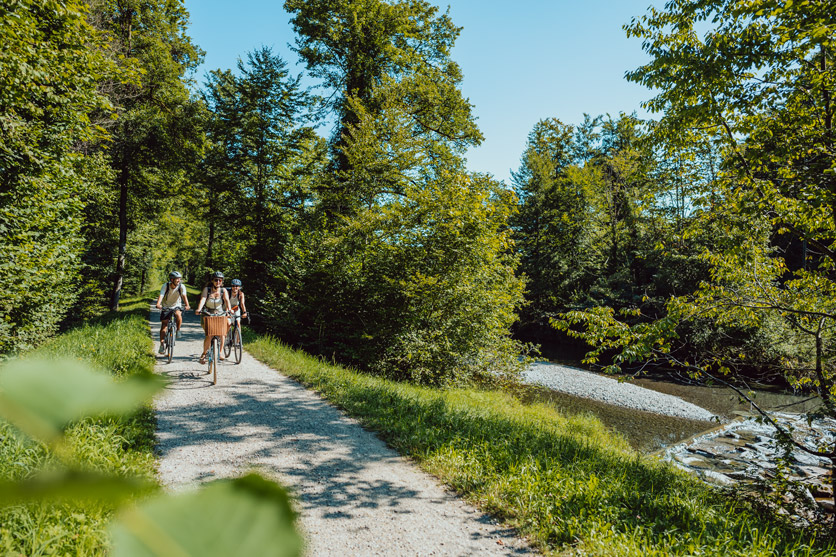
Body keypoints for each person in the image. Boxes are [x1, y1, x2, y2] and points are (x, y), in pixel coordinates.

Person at [195, 271, 230, 364]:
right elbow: (203, 299)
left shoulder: (223, 291)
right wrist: (199, 309)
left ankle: (221, 352)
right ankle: (204, 354)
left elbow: (226, 301)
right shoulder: (207, 289)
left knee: (222, 334)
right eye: (216, 280)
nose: (218, 282)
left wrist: (229, 310)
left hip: (220, 313)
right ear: (212, 281)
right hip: (207, 313)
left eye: (220, 280)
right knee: (209, 334)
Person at [155, 271, 190, 354]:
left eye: (179, 279)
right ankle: (162, 345)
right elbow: (161, 295)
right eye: (177, 279)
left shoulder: (181, 286)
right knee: (164, 325)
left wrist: (187, 305)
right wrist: (158, 304)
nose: (179, 280)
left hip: (176, 305)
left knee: (178, 314)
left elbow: (184, 296)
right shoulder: (166, 286)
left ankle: (178, 330)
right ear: (172, 279)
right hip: (166, 306)